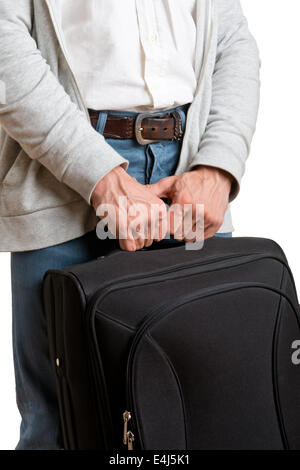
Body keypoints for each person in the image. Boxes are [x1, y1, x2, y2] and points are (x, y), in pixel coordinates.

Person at [0, 0, 260, 450]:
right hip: (57, 175)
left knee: (210, 414)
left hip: (191, 177)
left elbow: (231, 37)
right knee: (59, 428)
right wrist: (100, 175)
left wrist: (219, 165)